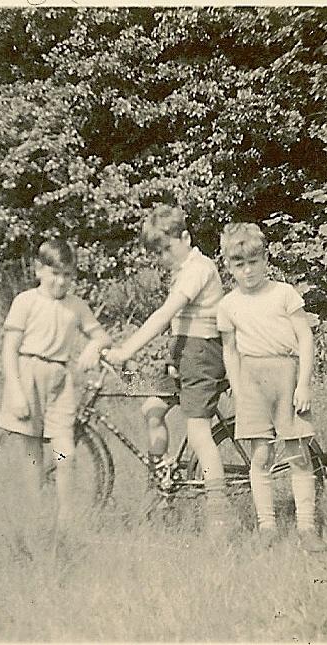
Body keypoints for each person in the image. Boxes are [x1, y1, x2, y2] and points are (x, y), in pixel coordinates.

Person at [104, 205, 233, 533]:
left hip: (204, 356)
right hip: (182, 354)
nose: (163, 256)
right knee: (150, 405)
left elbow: (164, 315)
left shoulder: (199, 268)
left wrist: (126, 350)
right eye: (157, 252)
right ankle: (162, 488)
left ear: (186, 238)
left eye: (167, 248)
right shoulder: (181, 270)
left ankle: (219, 515)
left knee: (198, 431)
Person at [216, 222, 327, 552]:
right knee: (260, 456)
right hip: (251, 379)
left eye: (254, 261)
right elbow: (230, 349)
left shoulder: (283, 293)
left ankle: (307, 527)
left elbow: (305, 338)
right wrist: (237, 387)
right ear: (229, 266)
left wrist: (304, 383)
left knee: (297, 454)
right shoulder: (228, 304)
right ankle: (267, 527)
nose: (248, 270)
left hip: (286, 375)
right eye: (240, 264)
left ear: (265, 259)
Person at [0, 239, 111, 528]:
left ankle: (65, 518)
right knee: (32, 451)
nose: (60, 281)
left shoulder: (76, 306)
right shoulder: (26, 301)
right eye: (55, 273)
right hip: (28, 375)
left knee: (65, 452)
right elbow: (9, 349)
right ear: (39, 270)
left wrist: (92, 347)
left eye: (67, 275)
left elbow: (101, 336)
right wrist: (15, 391)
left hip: (60, 382)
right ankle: (36, 516)